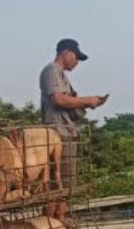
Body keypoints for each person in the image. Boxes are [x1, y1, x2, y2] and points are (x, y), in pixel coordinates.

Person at [39, 38, 107, 191]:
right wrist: (87, 100)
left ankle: (60, 214)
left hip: (65, 131)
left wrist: (85, 103)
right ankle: (57, 215)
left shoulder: (60, 74)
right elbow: (58, 99)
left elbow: (67, 106)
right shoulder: (52, 70)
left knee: (64, 185)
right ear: (66, 53)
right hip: (58, 132)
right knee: (60, 186)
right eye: (76, 57)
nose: (77, 62)